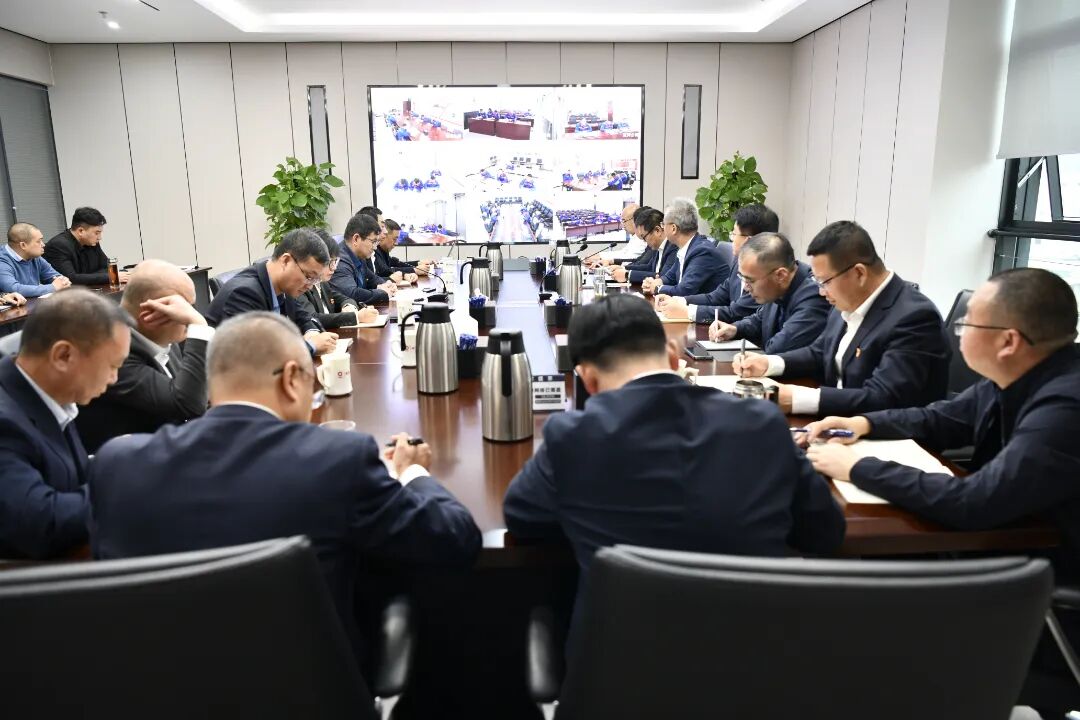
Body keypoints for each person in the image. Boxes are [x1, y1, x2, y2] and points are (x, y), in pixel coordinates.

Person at [89, 312, 481, 665]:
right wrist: (412, 472)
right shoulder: (339, 460)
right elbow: (454, 539)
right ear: (292, 378)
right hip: (307, 696)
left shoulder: (119, 464)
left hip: (155, 695)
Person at [800, 268, 1080, 719]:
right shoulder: (1022, 375)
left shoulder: (1065, 406)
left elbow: (975, 502)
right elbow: (943, 417)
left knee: (862, 603)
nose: (958, 332)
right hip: (1011, 548)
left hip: (1043, 593)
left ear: (1008, 341)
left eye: (967, 324)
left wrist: (860, 467)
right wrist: (865, 423)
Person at [503, 294, 845, 641]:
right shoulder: (762, 423)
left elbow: (522, 516)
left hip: (619, 668)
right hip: (760, 660)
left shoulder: (572, 437)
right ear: (672, 355)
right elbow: (825, 532)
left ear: (588, 380)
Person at [734, 220, 950, 416]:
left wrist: (796, 398)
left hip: (889, 437)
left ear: (859, 273)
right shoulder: (845, 301)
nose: (821, 291)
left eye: (824, 282)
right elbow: (819, 352)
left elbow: (884, 398)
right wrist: (768, 363)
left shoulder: (915, 317)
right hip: (838, 421)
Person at [0, 289, 129, 558]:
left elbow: (73, 479)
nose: (114, 379)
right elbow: (41, 523)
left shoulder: (49, 393)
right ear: (63, 356)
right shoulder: (5, 422)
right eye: (112, 366)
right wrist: (132, 489)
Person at [75, 260, 212, 453]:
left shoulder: (164, 335)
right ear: (152, 313)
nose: (191, 314)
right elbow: (188, 405)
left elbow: (197, 393)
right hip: (133, 463)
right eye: (185, 307)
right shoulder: (113, 353)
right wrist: (199, 326)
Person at [205, 228, 338, 355]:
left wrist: (311, 332)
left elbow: (304, 317)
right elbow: (256, 354)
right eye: (309, 276)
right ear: (286, 261)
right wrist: (311, 345)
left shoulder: (283, 286)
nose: (310, 286)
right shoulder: (243, 293)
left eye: (315, 280)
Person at [706, 232, 829, 354]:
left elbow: (777, 349)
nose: (746, 288)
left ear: (780, 275)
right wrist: (735, 329)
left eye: (750, 281)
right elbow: (759, 321)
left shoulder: (814, 296)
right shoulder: (776, 285)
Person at [656, 203, 777, 323]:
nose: (731, 239)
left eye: (734, 234)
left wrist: (688, 312)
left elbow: (736, 312)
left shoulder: (766, 275)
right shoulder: (738, 262)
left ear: (749, 241)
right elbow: (716, 297)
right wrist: (679, 300)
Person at [640, 199, 731, 297]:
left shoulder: (702, 251)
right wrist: (655, 282)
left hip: (703, 306)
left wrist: (657, 288)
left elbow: (684, 290)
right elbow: (670, 277)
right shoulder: (685, 247)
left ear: (673, 229)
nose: (663, 227)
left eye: (663, 224)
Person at [297, 229, 380, 329]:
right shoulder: (299, 286)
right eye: (329, 262)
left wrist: (348, 306)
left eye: (335, 262)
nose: (334, 268)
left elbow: (345, 298)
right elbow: (312, 318)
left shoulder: (323, 283)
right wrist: (356, 317)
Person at [43, 207, 131, 286]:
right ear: (81, 231)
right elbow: (70, 278)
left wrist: (90, 276)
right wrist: (111, 276)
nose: (100, 238)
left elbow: (106, 268)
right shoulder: (58, 245)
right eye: (96, 233)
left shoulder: (91, 242)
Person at [331, 213, 397, 305]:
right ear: (356, 239)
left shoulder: (359, 256)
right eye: (373, 242)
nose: (375, 247)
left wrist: (387, 284)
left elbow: (372, 278)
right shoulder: (340, 261)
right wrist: (382, 293)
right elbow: (351, 294)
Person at [0, 223, 71, 298]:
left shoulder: (34, 256)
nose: (43, 245)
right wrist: (52, 287)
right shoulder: (2, 262)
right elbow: (13, 288)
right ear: (23, 245)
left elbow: (54, 276)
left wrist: (63, 281)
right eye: (38, 241)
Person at [608, 208, 672, 284]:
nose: (644, 241)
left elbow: (664, 277)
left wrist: (627, 275)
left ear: (657, 231)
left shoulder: (672, 247)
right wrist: (624, 269)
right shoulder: (657, 247)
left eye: (644, 237)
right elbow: (649, 267)